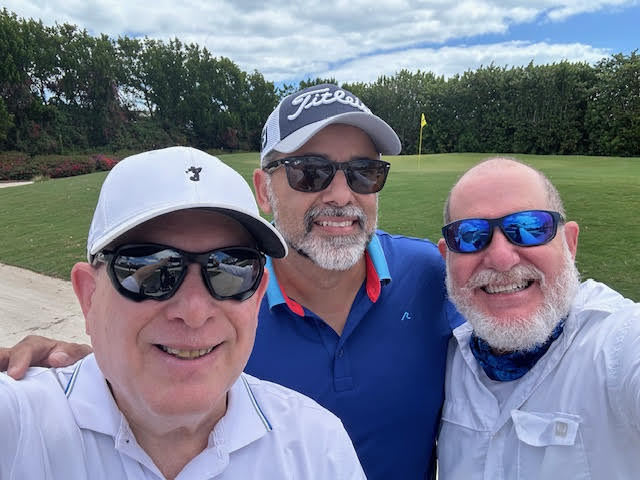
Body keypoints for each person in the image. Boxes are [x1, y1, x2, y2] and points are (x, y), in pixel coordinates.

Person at [0, 84, 458, 479]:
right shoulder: (24, 425)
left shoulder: (430, 274)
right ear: (263, 189)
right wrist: (105, 362)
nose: (341, 194)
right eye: (310, 172)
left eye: (364, 172)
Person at [0, 146, 365, 479]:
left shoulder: (317, 448)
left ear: (256, 300)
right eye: (152, 270)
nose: (193, 311)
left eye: (230, 270)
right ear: (88, 296)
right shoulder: (18, 425)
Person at [436, 157, 640, 479]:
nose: (501, 259)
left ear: (570, 244)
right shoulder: (446, 358)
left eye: (530, 228)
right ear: (447, 259)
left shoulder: (618, 344)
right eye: (470, 236)